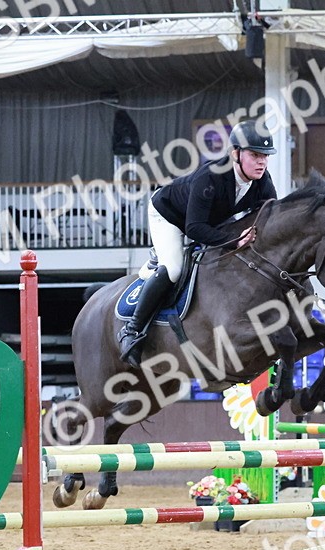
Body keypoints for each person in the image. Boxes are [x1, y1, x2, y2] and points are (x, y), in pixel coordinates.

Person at [117, 119, 278, 367]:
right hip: (169, 215)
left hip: (208, 221)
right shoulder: (211, 178)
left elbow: (269, 218)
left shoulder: (262, 183)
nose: (262, 162)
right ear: (235, 153)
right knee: (173, 269)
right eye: (255, 155)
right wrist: (233, 240)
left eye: (265, 156)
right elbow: (194, 228)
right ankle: (131, 330)